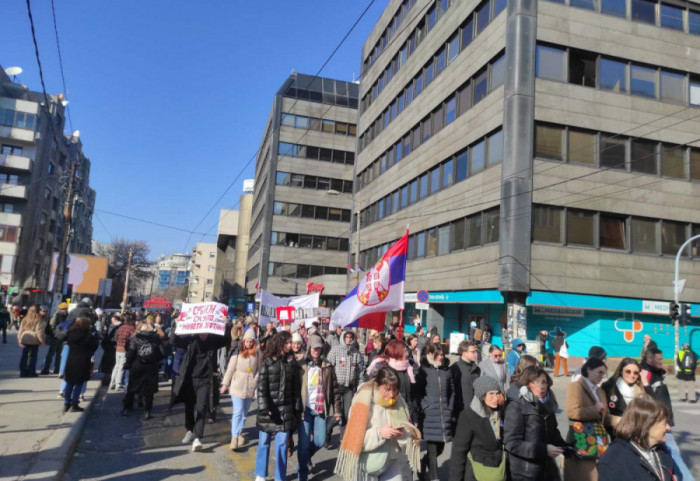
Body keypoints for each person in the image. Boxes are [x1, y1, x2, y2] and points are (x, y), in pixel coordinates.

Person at [334, 366, 421, 481]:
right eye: (387, 389)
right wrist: (380, 433)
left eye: (395, 390)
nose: (391, 395)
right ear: (377, 385)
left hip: (392, 461)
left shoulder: (399, 401)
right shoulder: (363, 400)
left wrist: (402, 435)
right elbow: (354, 439)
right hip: (366, 464)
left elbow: (409, 433)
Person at [172, 326, 231, 451]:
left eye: (206, 332)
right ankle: (189, 429)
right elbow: (174, 341)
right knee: (189, 406)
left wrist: (226, 325)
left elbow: (226, 340)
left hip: (205, 380)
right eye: (202, 332)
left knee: (201, 408)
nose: (203, 334)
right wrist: (176, 326)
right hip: (189, 379)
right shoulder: (191, 340)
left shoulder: (213, 340)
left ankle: (197, 437)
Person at [504, 365, 567, 481]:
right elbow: (511, 443)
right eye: (536, 382)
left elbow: (553, 431)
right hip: (525, 472)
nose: (541, 386)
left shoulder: (548, 403)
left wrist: (566, 447)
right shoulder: (516, 406)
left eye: (544, 382)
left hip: (547, 469)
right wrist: (543, 449)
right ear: (527, 384)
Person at [254, 331, 302, 481]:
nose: (289, 346)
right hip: (269, 410)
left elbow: (295, 389)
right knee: (264, 442)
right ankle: (260, 474)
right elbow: (261, 388)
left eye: (290, 343)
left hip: (285, 411)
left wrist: (297, 408)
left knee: (282, 446)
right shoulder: (267, 362)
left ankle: (280, 477)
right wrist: (264, 407)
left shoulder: (292, 363)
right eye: (287, 343)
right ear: (279, 343)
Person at [640, 347, 692, 480]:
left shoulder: (656, 372)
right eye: (659, 359)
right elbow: (648, 399)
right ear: (649, 359)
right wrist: (645, 383)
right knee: (673, 453)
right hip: (658, 422)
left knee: (667, 455)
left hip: (664, 420)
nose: (662, 361)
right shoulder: (646, 374)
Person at [597, 397, 676, 481]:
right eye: (664, 423)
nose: (668, 428)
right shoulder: (614, 461)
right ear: (647, 425)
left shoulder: (661, 451)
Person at [297, 335, 341, 481]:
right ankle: (302, 473)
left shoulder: (327, 366)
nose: (316, 351)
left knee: (320, 441)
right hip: (305, 409)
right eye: (314, 348)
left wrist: (337, 410)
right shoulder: (301, 365)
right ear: (309, 348)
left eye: (319, 348)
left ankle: (304, 457)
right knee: (303, 444)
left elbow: (335, 389)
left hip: (321, 409)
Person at [449, 375, 506, 481]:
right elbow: (458, 452)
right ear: (481, 395)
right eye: (491, 394)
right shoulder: (468, 416)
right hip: (476, 473)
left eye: (497, 393)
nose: (496, 398)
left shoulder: (499, 412)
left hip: (498, 472)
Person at [564, 357, 609, 481]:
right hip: (582, 442)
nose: (602, 376)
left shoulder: (600, 391)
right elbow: (572, 411)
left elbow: (606, 416)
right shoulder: (575, 386)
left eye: (604, 374)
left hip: (598, 442)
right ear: (588, 369)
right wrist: (595, 409)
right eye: (599, 372)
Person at [416, 342, 454, 481]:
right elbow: (417, 392)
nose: (441, 357)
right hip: (429, 415)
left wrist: (449, 407)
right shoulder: (423, 370)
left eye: (442, 354)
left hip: (444, 413)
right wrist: (425, 406)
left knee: (440, 449)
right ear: (430, 354)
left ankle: (423, 462)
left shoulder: (446, 370)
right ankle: (434, 477)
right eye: (438, 355)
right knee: (432, 449)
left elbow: (452, 391)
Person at [221, 327, 259, 450]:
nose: (248, 343)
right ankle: (234, 437)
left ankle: (239, 432)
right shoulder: (237, 352)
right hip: (237, 385)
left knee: (244, 413)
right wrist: (225, 384)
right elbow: (230, 369)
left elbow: (260, 368)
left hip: (250, 387)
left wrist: (257, 377)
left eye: (251, 341)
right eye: (247, 341)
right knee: (237, 411)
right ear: (243, 341)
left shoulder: (257, 354)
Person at [326, 330, 364, 448]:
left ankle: (342, 441)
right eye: (346, 337)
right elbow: (327, 367)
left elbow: (360, 372)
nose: (348, 339)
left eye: (350, 337)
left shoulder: (356, 353)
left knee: (347, 415)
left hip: (348, 388)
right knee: (337, 415)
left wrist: (360, 386)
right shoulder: (336, 350)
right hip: (336, 387)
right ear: (343, 337)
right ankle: (327, 431)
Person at [366, 339, 418, 422]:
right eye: (405, 351)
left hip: (407, 411)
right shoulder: (384, 368)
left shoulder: (409, 367)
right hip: (389, 412)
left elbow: (412, 394)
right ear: (397, 352)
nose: (407, 353)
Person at [122, 323, 164, 419]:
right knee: (149, 391)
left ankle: (126, 408)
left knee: (132, 388)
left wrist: (127, 364)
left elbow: (130, 353)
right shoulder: (155, 339)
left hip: (137, 365)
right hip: (151, 366)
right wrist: (156, 361)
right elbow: (161, 353)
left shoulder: (135, 338)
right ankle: (147, 411)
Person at [601, 358, 647, 435]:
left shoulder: (641, 390)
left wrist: (646, 383)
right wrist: (620, 421)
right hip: (614, 433)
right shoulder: (608, 387)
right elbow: (603, 415)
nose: (632, 375)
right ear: (621, 371)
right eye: (628, 371)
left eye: (635, 373)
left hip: (635, 434)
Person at [63, 317, 99, 412]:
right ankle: (75, 404)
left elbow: (67, 342)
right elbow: (94, 347)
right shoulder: (88, 336)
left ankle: (66, 403)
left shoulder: (70, 333)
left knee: (69, 383)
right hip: (83, 361)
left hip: (71, 360)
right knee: (79, 384)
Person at [451, 340, 481, 425]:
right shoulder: (455, 369)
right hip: (460, 412)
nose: (476, 354)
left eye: (476, 351)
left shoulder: (477, 369)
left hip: (475, 411)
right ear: (464, 353)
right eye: (473, 352)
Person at [18, 305, 46, 377]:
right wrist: (42, 341)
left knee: (24, 356)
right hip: (34, 339)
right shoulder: (38, 319)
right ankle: (31, 371)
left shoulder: (25, 319)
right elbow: (39, 332)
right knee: (33, 356)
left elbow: (20, 330)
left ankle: (23, 372)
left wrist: (19, 339)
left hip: (25, 338)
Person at [110, 314, 135, 391]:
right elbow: (133, 338)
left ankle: (112, 383)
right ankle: (118, 384)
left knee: (117, 365)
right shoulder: (131, 328)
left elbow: (115, 338)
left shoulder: (120, 328)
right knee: (121, 366)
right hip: (125, 349)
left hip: (118, 348)